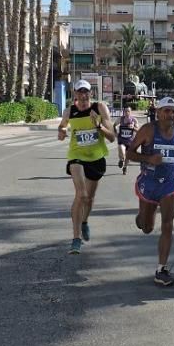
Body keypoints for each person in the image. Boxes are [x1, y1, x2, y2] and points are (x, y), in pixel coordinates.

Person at [126, 97, 174, 286]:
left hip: (168, 185)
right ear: (158, 113)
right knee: (147, 228)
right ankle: (142, 217)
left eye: (173, 111)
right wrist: (148, 158)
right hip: (148, 184)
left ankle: (161, 269)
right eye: (166, 111)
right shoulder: (148, 130)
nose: (170, 115)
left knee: (168, 224)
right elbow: (130, 153)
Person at [57, 79, 115, 254]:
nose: (83, 95)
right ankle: (76, 238)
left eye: (86, 92)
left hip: (96, 157)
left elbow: (112, 136)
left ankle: (84, 222)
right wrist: (61, 131)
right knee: (81, 195)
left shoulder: (99, 108)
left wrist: (98, 126)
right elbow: (61, 131)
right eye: (79, 92)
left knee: (89, 198)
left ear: (91, 93)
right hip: (76, 156)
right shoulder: (69, 111)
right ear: (74, 94)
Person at [116, 106, 139, 175]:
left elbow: (138, 130)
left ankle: (125, 167)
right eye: (125, 111)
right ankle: (121, 160)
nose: (127, 113)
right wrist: (115, 133)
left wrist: (133, 127)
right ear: (123, 112)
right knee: (121, 150)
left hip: (130, 141)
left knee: (128, 156)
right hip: (122, 139)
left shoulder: (134, 120)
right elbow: (114, 125)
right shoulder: (120, 119)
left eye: (128, 111)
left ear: (131, 112)